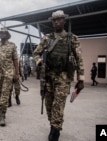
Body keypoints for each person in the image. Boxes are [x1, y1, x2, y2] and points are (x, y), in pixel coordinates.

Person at [33, 10, 84, 141]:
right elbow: (35, 54)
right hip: (48, 77)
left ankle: (55, 131)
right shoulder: (47, 38)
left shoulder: (72, 38)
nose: (56, 22)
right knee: (48, 104)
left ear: (64, 21)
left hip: (63, 77)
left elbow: (79, 59)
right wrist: (40, 63)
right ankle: (53, 124)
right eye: (54, 20)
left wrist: (81, 79)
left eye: (59, 19)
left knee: (58, 104)